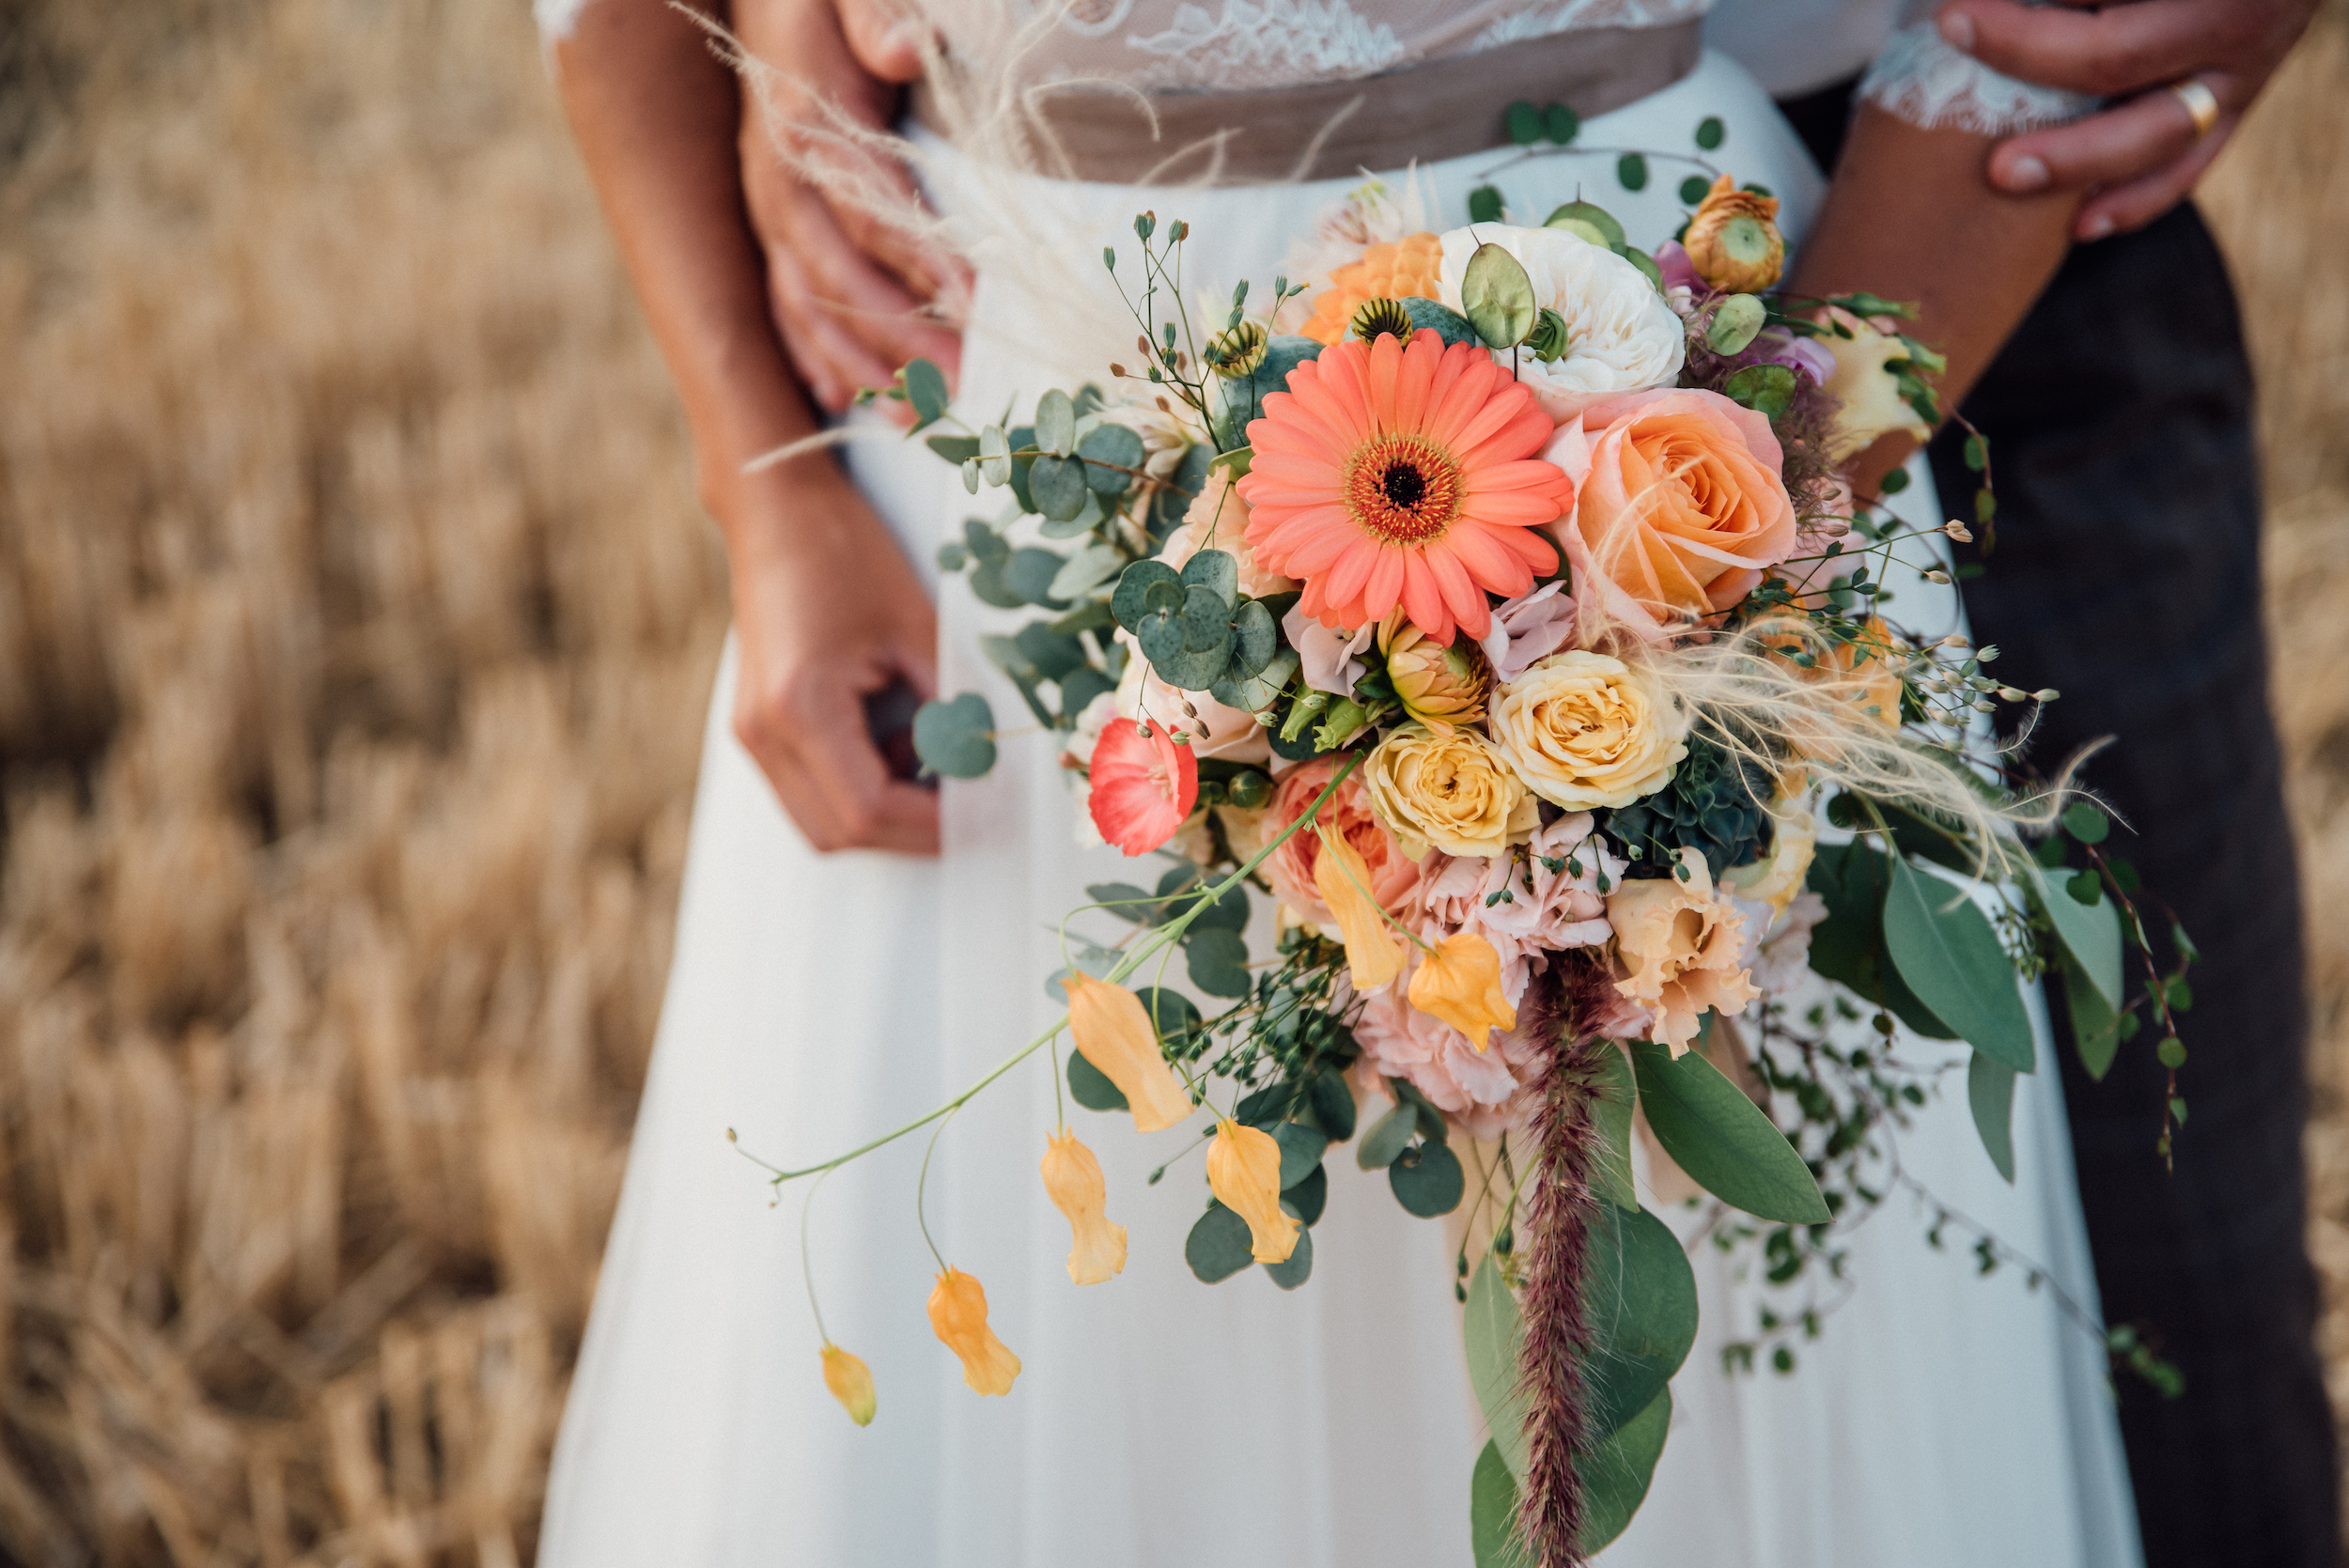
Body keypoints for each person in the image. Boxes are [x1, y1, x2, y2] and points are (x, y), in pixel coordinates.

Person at [523, 2, 2262, 1563]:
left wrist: (1693, 569)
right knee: (1079, 1325)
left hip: (1666, 376)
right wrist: (770, 491)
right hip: (1012, 395)